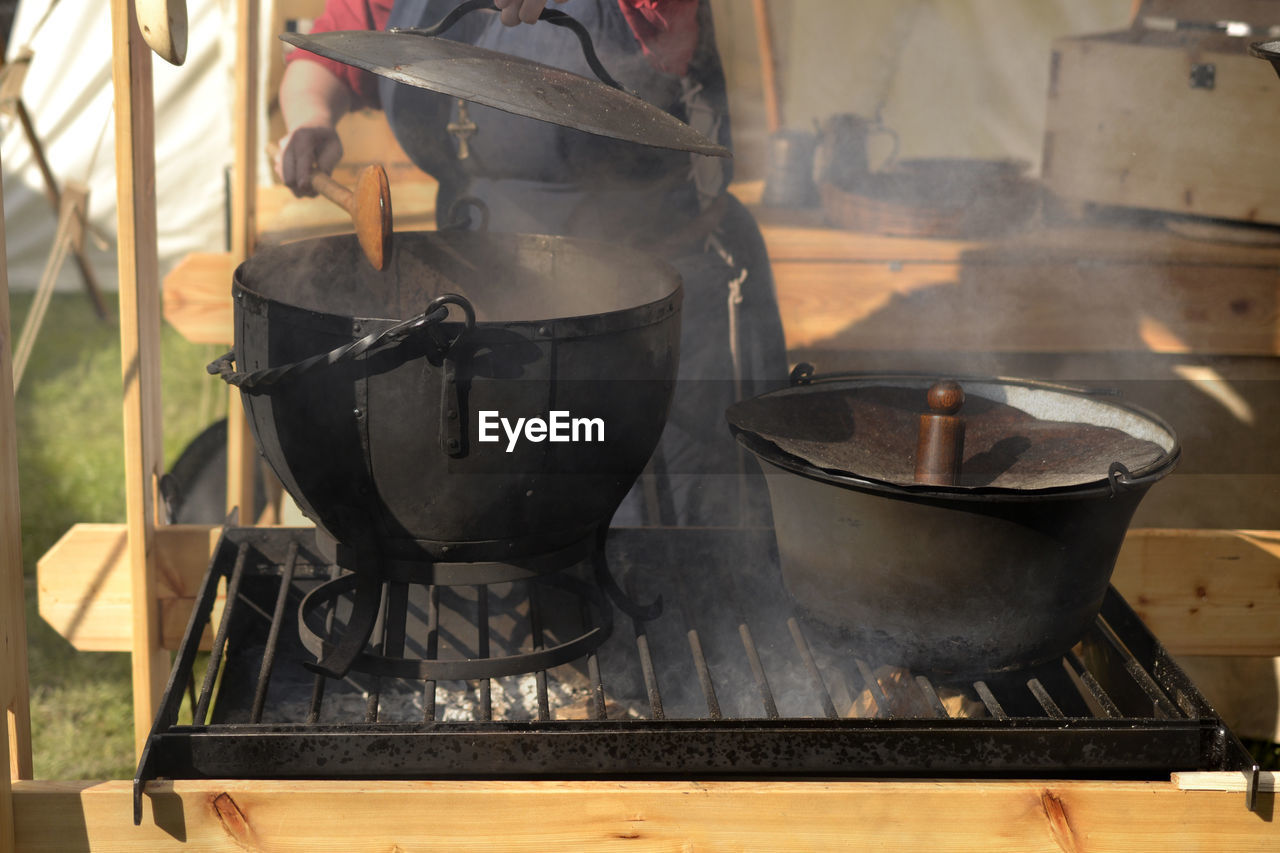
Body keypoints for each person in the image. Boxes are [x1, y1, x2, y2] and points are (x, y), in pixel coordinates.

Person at [277, 0, 787, 526]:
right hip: (496, 317)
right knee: (528, 535)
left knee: (679, 544)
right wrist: (311, 117)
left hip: (655, 316)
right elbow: (333, 49)